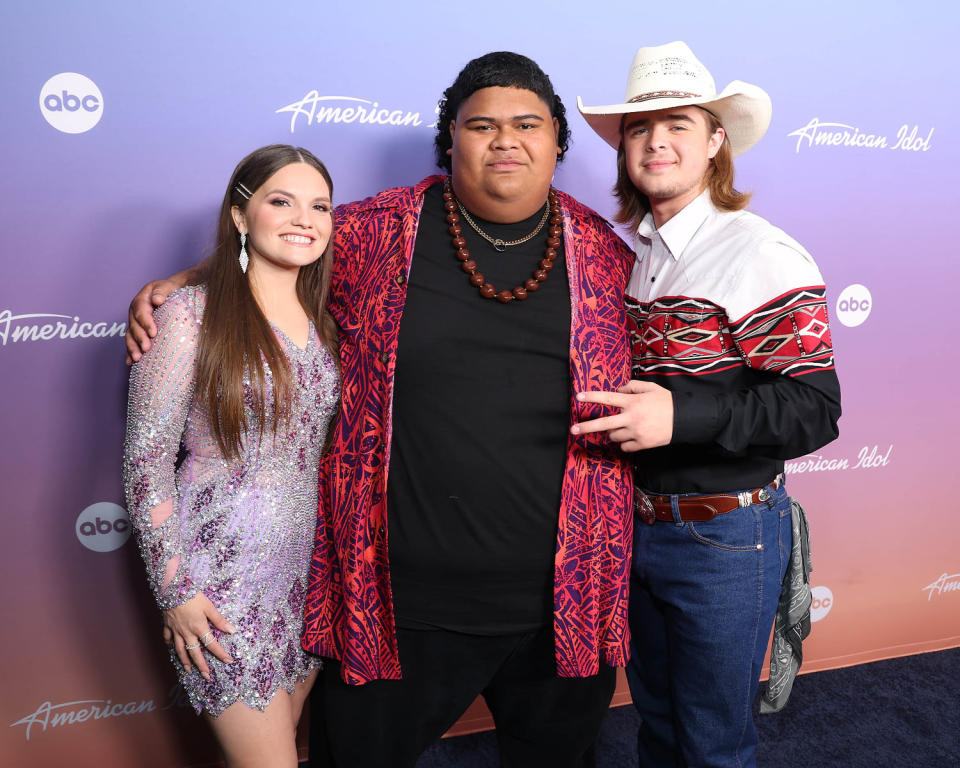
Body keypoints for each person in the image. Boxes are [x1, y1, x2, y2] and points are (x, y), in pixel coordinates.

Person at [126, 52, 635, 767]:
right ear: (448, 138)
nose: (505, 140)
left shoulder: (608, 256)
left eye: (527, 124)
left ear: (557, 139)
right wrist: (181, 284)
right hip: (399, 600)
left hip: (562, 595)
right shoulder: (375, 232)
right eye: (480, 125)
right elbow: (281, 249)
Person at [574, 42, 841, 767]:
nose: (657, 140)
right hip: (638, 527)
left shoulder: (762, 253)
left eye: (679, 124)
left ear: (716, 141)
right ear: (625, 148)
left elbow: (816, 408)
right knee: (656, 728)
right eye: (639, 128)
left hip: (727, 538)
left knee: (715, 746)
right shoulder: (636, 255)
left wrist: (679, 416)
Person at [123, 144, 340, 768]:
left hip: (308, 576)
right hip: (221, 579)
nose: (304, 218)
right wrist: (175, 591)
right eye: (281, 201)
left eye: (319, 206)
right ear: (241, 216)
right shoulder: (188, 315)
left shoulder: (327, 319)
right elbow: (146, 460)